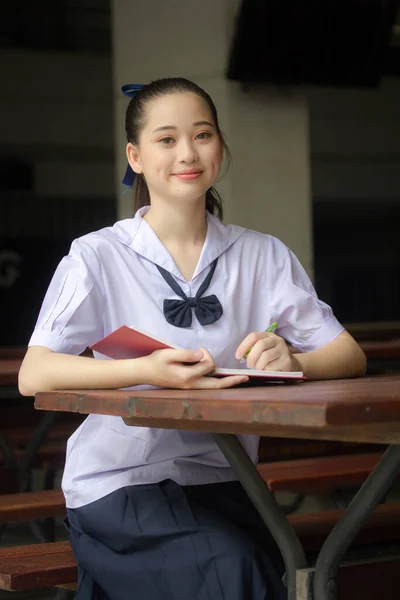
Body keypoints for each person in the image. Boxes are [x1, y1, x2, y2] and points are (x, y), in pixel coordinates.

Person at [19, 77, 366, 600]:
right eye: (166, 139)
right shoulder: (98, 255)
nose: (187, 152)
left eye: (202, 134)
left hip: (229, 482)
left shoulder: (261, 254)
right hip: (121, 483)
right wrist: (144, 371)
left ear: (220, 146)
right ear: (134, 156)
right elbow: (35, 372)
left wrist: (292, 358)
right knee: (235, 574)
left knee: (279, 573)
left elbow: (348, 354)